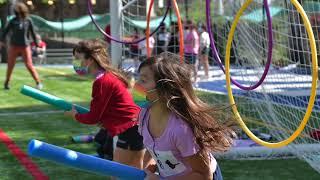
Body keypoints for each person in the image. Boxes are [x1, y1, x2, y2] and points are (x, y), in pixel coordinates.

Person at [136, 53, 236, 180]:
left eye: (143, 80)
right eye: (138, 78)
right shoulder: (145, 115)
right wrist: (149, 166)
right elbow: (151, 147)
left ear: (164, 89)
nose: (136, 84)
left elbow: (204, 175)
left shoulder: (181, 130)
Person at [64, 39, 144, 169]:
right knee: (137, 171)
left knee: (119, 173)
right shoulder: (107, 75)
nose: (75, 62)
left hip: (131, 128)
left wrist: (75, 115)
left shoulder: (102, 81)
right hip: (137, 125)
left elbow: (93, 117)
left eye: (78, 58)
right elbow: (110, 108)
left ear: (90, 60)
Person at [0, 2, 42, 90]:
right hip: (14, 46)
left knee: (29, 65)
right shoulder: (13, 20)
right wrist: (1, 41)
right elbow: (5, 31)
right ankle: (7, 83)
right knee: (10, 65)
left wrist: (37, 44)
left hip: (25, 46)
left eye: (19, 9)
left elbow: (33, 33)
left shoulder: (28, 20)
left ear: (23, 10)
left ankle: (38, 82)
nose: (17, 11)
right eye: (16, 10)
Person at [184, 20, 200, 84]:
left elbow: (193, 43)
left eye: (189, 25)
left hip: (192, 52)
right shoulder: (190, 33)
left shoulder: (193, 33)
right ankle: (190, 78)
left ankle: (195, 79)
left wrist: (186, 43)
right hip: (188, 51)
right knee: (188, 66)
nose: (187, 26)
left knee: (193, 66)